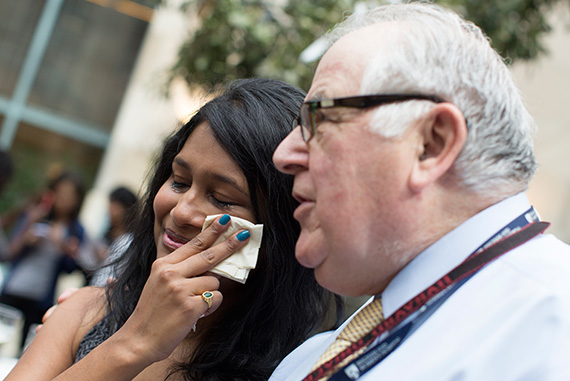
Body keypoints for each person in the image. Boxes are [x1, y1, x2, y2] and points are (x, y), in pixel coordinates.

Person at [269, 3, 570, 380]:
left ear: (430, 144)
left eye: (318, 117)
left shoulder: (554, 329)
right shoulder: (321, 351)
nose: (284, 154)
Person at [7, 78, 341, 380]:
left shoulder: (295, 370)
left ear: (278, 234)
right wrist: (133, 344)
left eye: (222, 199)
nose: (181, 211)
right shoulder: (86, 312)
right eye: (179, 181)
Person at [0, 170, 87, 351]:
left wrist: (64, 248)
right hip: (15, 288)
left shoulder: (75, 230)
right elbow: (9, 253)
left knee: (28, 349)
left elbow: (71, 269)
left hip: (41, 298)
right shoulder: (36, 215)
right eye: (60, 193)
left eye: (69, 196)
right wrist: (28, 234)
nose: (63, 199)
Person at [89, 186, 138, 286]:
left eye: (116, 206)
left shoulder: (128, 242)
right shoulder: (106, 233)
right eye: (111, 204)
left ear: (127, 209)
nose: (111, 209)